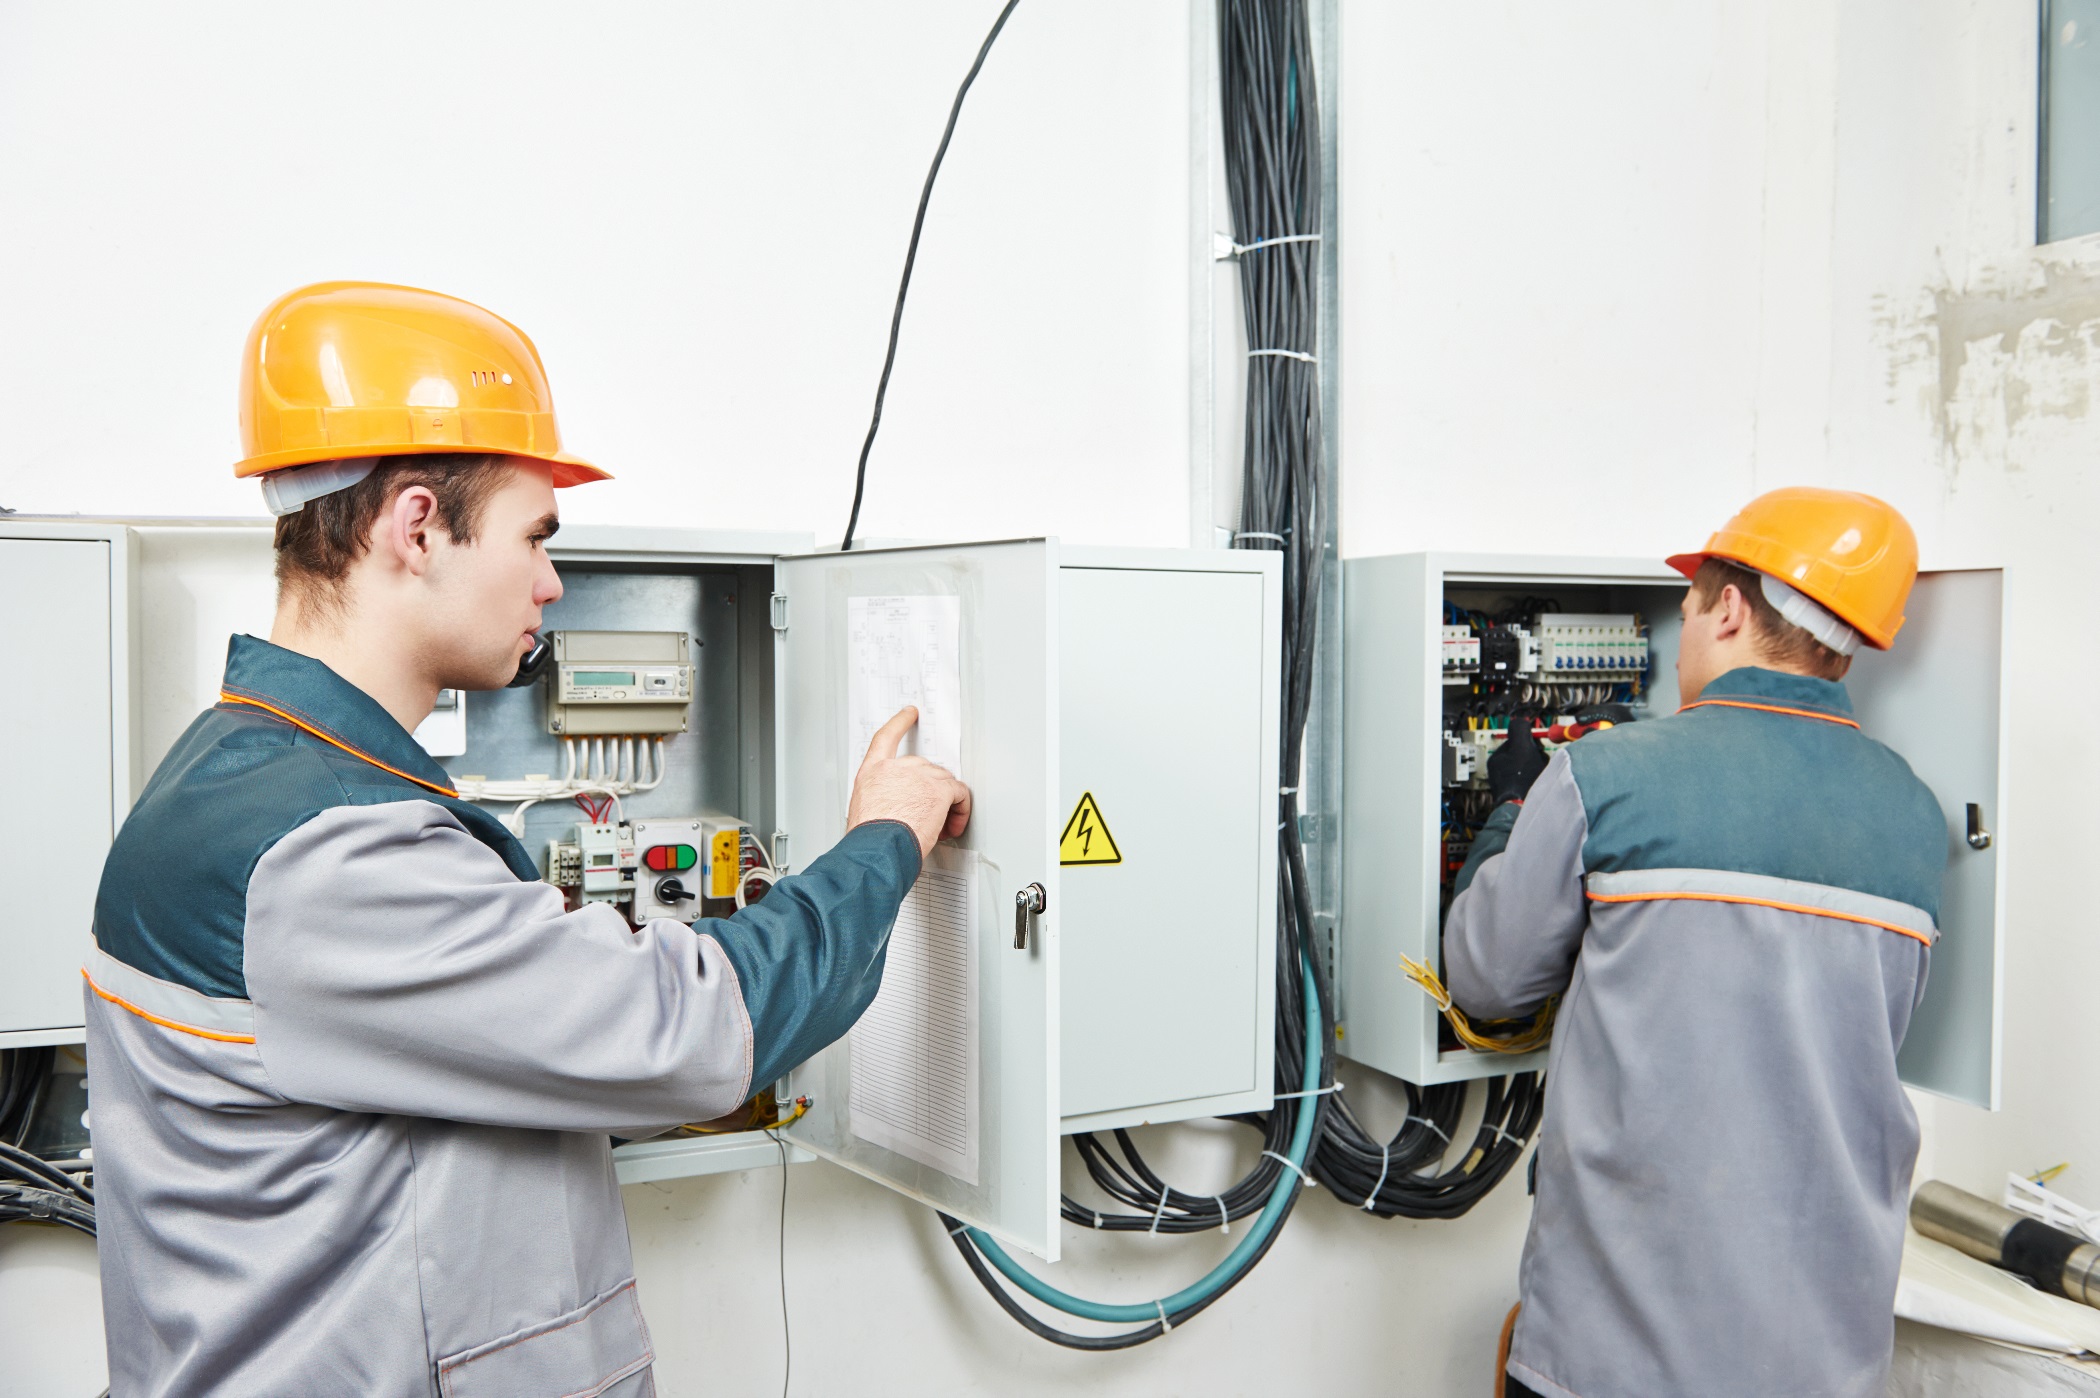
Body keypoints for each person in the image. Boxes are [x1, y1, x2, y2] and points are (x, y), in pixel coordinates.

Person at [84, 282, 971, 1397]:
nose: (552, 583)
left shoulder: (231, 776)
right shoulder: (324, 855)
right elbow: (695, 1027)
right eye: (535, 537)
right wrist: (884, 834)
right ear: (415, 525)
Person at [1443, 488, 1946, 1398]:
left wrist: (1510, 814)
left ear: (1728, 606)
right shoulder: (1915, 814)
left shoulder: (1605, 773)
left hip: (1614, 1356)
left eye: (1681, 616)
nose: (1677, 647)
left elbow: (1487, 979)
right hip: (1825, 1360)